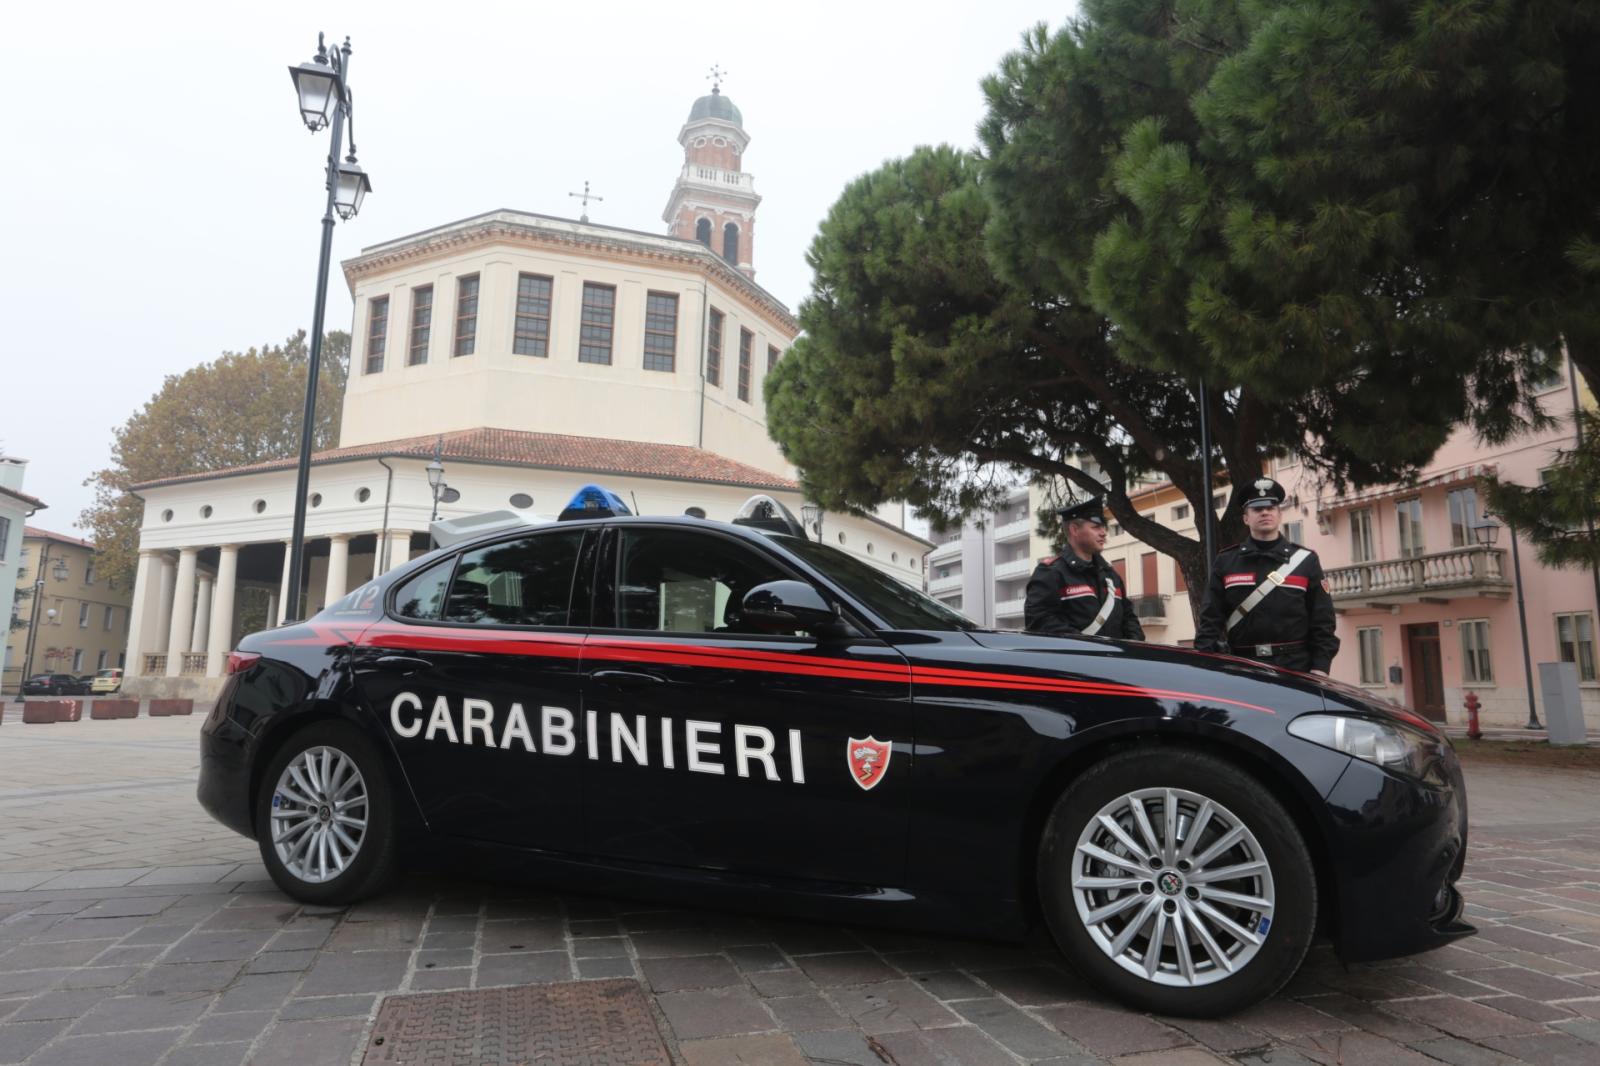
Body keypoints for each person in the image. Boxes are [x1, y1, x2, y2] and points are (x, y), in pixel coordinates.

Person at [1195, 477, 1339, 674]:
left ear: (1279, 515)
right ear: (1246, 518)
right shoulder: (1226, 561)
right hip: (1241, 668)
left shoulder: (1306, 561)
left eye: (1271, 508)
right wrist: (1205, 665)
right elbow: (1210, 619)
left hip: (1296, 668)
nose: (1264, 512)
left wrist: (1320, 667)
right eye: (1257, 509)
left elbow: (1323, 620)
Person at [1024, 498, 1144, 639]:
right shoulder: (1050, 572)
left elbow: (1128, 618)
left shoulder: (1110, 575)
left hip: (1115, 660)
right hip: (1074, 659)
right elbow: (1039, 621)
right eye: (1096, 527)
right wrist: (1087, 647)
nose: (1103, 533)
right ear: (1074, 530)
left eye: (1103, 527)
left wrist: (1132, 649)